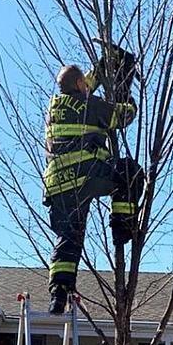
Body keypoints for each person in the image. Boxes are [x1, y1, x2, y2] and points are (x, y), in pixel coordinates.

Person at [43, 47, 143, 314]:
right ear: (78, 84)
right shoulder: (90, 106)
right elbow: (124, 116)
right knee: (130, 174)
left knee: (69, 238)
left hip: (59, 185)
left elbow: (85, 84)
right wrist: (126, 94)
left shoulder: (55, 107)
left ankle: (58, 293)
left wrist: (104, 65)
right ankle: (122, 227)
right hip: (87, 175)